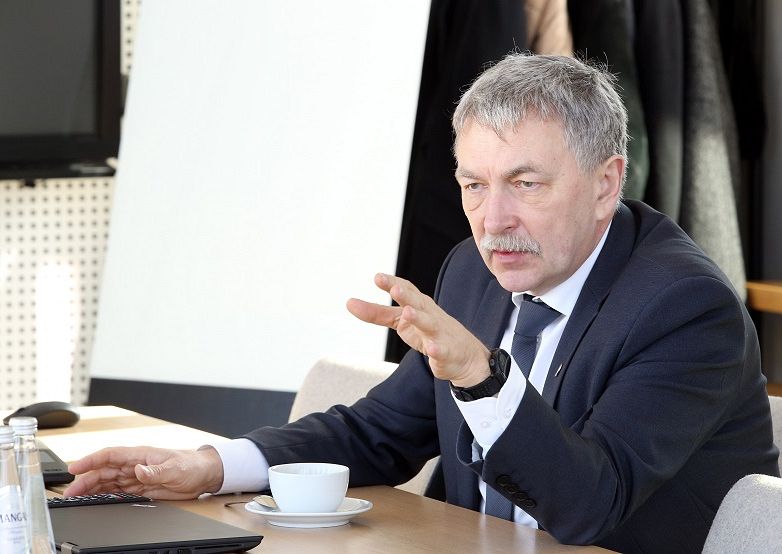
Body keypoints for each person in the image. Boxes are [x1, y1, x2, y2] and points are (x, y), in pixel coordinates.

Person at [64, 54, 778, 553]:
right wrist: (211, 466)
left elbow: (589, 505)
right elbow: (381, 434)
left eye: (526, 184)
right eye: (474, 185)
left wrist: (481, 379)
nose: (493, 221)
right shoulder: (474, 270)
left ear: (605, 183)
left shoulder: (686, 309)